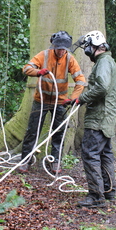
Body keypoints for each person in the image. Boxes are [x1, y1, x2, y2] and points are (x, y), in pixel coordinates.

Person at [18, 31, 87, 174]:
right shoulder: (44, 55)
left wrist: (73, 97)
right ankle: (26, 159)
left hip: (60, 103)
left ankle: (55, 161)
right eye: (59, 48)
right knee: (32, 131)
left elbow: (80, 80)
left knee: (58, 133)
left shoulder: (70, 59)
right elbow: (26, 68)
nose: (61, 52)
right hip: (40, 100)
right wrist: (38, 72)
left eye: (64, 49)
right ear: (54, 45)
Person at [67, 30, 116, 208]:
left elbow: (102, 87)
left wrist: (80, 99)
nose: (86, 51)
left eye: (87, 47)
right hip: (106, 118)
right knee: (105, 155)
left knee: (90, 154)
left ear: (96, 46)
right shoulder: (107, 61)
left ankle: (96, 197)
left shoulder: (104, 63)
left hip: (98, 119)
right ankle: (108, 191)